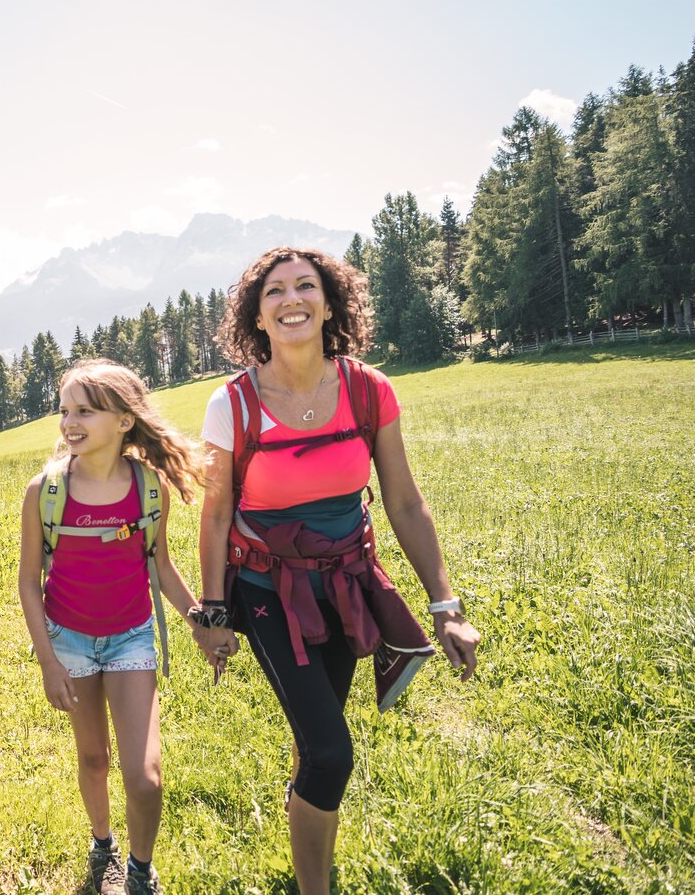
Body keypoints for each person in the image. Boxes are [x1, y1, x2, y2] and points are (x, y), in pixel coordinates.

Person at [195, 247, 482, 893]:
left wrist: (446, 606)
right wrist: (211, 614)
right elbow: (214, 518)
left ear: (330, 303)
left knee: (313, 739)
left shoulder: (367, 390)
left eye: (306, 286)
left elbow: (404, 503)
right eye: (275, 291)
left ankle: (304, 814)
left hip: (346, 585)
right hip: (268, 588)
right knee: (331, 750)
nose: (291, 299)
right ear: (257, 316)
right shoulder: (232, 405)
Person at [17, 359, 221, 895]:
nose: (69, 422)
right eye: (65, 411)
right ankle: (102, 843)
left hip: (133, 636)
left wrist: (199, 621)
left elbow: (160, 564)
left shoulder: (149, 488)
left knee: (145, 775)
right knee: (92, 757)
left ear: (124, 420)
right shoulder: (46, 491)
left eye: (85, 410)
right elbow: (27, 583)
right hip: (70, 643)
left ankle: (138, 867)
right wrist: (48, 660)